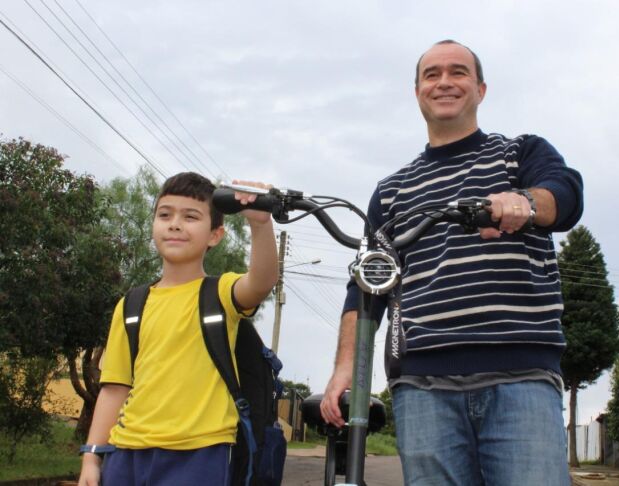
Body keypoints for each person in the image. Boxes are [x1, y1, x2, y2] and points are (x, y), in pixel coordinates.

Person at [320, 40, 583, 485]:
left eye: (458, 72)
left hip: (520, 376)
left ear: (480, 89)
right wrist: (346, 367)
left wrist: (524, 203)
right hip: (423, 385)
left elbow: (565, 195)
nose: (444, 82)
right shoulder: (392, 190)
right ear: (418, 91)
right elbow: (367, 285)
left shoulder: (519, 154)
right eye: (432, 74)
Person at [78, 172, 278, 486]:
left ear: (215, 235)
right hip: (125, 453)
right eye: (165, 214)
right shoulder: (131, 305)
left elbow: (261, 282)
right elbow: (115, 388)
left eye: (190, 216)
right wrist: (92, 455)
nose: (174, 224)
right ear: (154, 225)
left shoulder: (221, 294)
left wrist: (260, 225)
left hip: (199, 452)